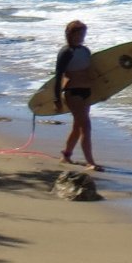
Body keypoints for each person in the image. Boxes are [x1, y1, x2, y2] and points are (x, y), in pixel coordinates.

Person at [55, 20, 102, 170]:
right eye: (78, 34)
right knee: (85, 126)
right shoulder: (66, 52)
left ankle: (66, 155)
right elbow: (58, 76)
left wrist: (102, 92)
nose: (81, 36)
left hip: (86, 91)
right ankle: (90, 162)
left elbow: (91, 72)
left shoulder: (85, 51)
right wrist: (56, 98)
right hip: (72, 92)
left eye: (83, 33)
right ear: (70, 34)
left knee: (77, 126)